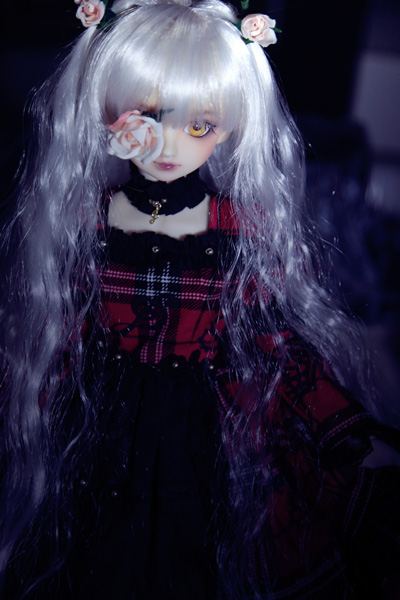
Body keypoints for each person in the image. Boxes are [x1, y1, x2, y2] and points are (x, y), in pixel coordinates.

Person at [1, 0, 399, 598]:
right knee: (95, 549)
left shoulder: (236, 229)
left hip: (207, 423)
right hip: (104, 421)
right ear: (105, 110)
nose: (169, 144)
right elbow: (63, 333)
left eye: (200, 126)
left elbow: (272, 339)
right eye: (147, 116)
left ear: (230, 127)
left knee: (203, 545)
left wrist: (332, 422)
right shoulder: (89, 222)